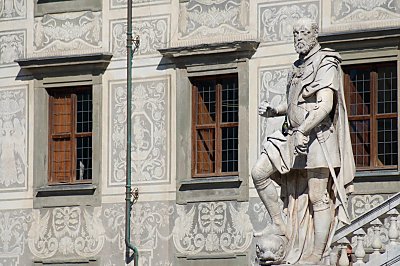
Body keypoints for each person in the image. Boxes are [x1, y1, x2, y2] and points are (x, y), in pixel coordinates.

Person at [252, 17, 355, 265]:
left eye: (304, 32)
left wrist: (304, 130)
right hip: (293, 135)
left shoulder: (326, 62)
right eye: (295, 32)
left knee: (318, 196)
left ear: (315, 34)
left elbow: (324, 106)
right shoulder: (296, 65)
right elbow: (294, 105)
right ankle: (279, 223)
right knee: (259, 173)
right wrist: (274, 111)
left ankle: (317, 253)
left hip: (318, 137)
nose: (299, 37)